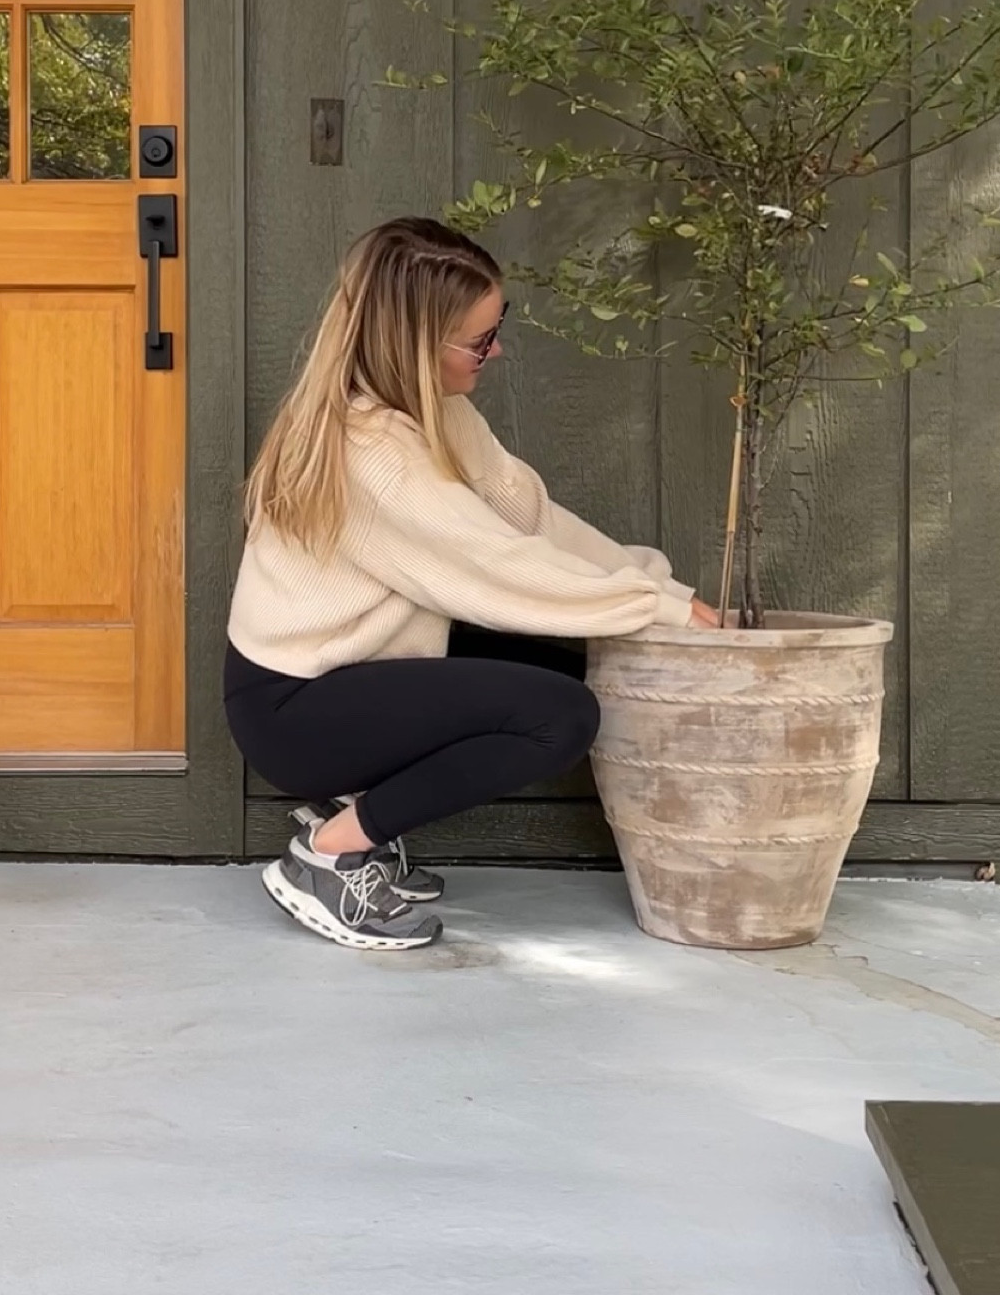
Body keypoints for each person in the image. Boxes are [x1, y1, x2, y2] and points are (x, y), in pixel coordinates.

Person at [224, 216, 718, 951]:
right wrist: (658, 608)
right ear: (414, 346)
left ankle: (351, 819)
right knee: (559, 713)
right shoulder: (375, 453)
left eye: (498, 326)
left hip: (348, 670)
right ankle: (330, 852)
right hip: (295, 708)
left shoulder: (437, 416)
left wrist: (652, 583)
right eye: (479, 340)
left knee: (566, 657)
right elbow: (496, 567)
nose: (497, 349)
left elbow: (527, 520)